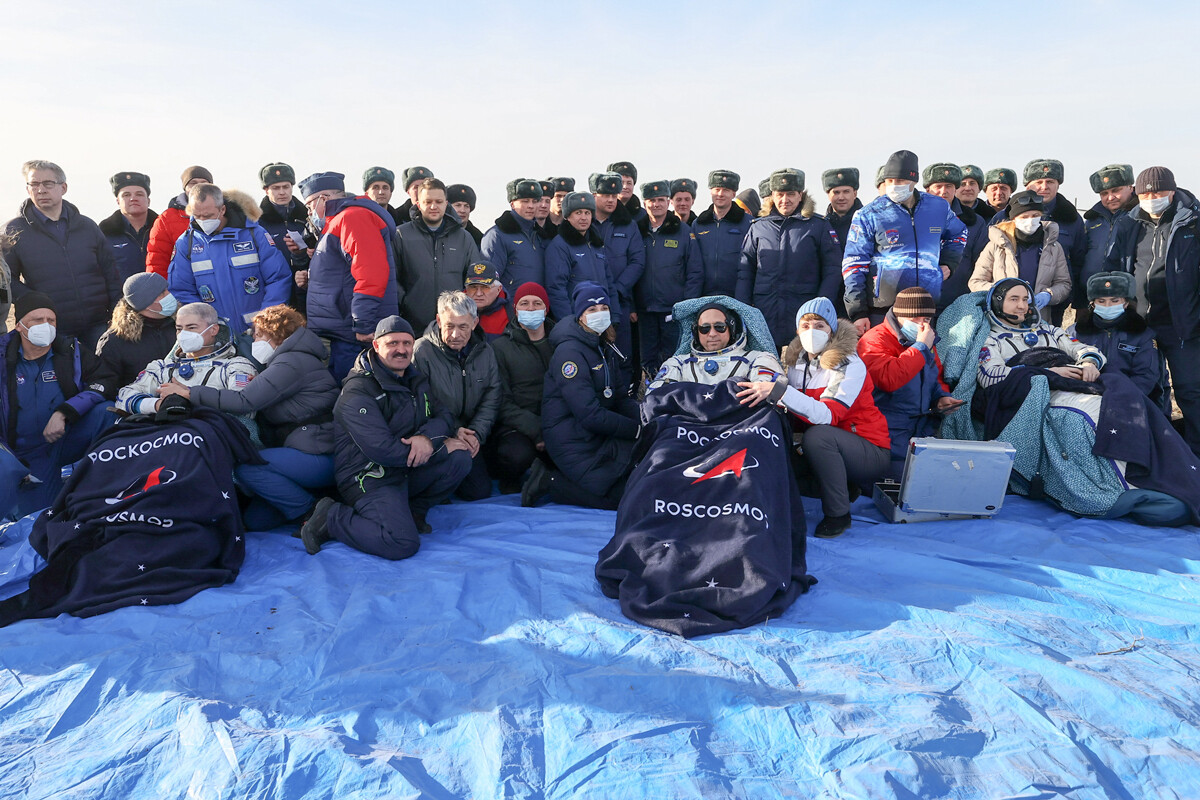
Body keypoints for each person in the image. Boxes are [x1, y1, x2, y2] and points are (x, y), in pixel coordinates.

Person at [298, 315, 472, 559]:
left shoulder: (415, 379)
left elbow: (444, 416)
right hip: (370, 476)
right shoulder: (358, 390)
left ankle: (413, 513)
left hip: (405, 468)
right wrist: (439, 447)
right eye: (393, 343)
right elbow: (383, 450)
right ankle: (332, 517)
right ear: (377, 346)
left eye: (407, 343)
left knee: (461, 457)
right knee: (401, 543)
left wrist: (425, 437)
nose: (401, 350)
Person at [160, 304, 338, 530]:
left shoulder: (290, 362)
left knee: (247, 469)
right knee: (255, 521)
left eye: (258, 335)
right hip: (303, 449)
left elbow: (243, 401)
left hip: (318, 454)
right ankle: (318, 498)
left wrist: (189, 393)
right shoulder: (286, 362)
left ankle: (312, 512)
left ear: (276, 333)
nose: (254, 341)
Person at [736, 297, 890, 539]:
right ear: (797, 329)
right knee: (778, 461)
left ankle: (838, 514)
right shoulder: (795, 362)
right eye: (806, 326)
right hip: (822, 446)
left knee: (819, 437)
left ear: (832, 330)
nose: (812, 332)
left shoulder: (848, 363)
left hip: (868, 448)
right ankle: (842, 489)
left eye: (820, 325)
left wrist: (779, 391)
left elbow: (827, 415)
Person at [1104, 166, 1200, 455]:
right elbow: (1114, 268)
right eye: (1145, 193)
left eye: (1158, 192)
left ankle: (1195, 452)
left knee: (1190, 390)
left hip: (1184, 324)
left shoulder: (1192, 222)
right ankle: (1161, 450)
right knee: (1148, 388)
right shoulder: (1129, 224)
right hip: (1140, 323)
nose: (1152, 198)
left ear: (1172, 191)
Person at [524, 281, 639, 509]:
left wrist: (645, 417)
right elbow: (589, 414)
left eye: (604, 308)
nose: (599, 314)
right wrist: (636, 429)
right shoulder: (570, 353)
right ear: (579, 316)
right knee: (621, 499)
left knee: (638, 481)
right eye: (591, 310)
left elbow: (620, 398)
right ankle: (549, 481)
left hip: (597, 435)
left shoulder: (604, 346)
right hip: (572, 439)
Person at [0, 292, 113, 516]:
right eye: (37, 320)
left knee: (106, 412)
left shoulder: (71, 350)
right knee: (37, 521)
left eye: (51, 320)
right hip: (24, 454)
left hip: (66, 438)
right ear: (20, 325)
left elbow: (105, 380)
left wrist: (66, 411)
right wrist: (7, 462)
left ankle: (106, 479)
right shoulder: (4, 356)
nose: (46, 325)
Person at [842, 150, 967, 333]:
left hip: (925, 306)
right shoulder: (869, 214)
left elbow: (959, 233)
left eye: (899, 181)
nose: (893, 186)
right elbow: (854, 264)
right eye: (889, 181)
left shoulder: (937, 207)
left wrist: (949, 262)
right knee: (885, 360)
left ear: (913, 180)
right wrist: (858, 312)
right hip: (883, 309)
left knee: (922, 358)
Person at [3, 160, 120, 349]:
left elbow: (110, 272)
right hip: (48, 328)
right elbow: (8, 281)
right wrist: (36, 303)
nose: (41, 190)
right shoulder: (13, 231)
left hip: (98, 325)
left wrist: (115, 314)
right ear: (28, 189)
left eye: (48, 183)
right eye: (34, 184)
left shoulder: (87, 226)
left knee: (103, 376)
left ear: (63, 187)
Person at [298, 171, 399, 380]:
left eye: (309, 206)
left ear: (323, 199)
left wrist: (363, 322)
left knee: (354, 398)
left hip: (351, 333)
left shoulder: (353, 218)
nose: (309, 212)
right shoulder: (336, 222)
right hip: (341, 331)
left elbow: (371, 273)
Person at [857, 287, 960, 477]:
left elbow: (935, 376)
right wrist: (920, 347)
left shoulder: (925, 340)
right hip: (886, 433)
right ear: (898, 316)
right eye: (915, 320)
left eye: (927, 320)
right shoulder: (874, 340)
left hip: (920, 430)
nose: (922, 325)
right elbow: (889, 379)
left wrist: (941, 398)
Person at [735, 168, 842, 347]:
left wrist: (821, 307)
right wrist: (743, 309)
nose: (785, 200)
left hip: (804, 314)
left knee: (804, 367)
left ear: (800, 195)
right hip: (766, 311)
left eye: (791, 194)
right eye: (780, 194)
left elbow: (832, 270)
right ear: (772, 196)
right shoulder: (758, 227)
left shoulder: (817, 226)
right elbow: (745, 271)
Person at [412, 291, 501, 501]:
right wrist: (451, 432)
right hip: (436, 433)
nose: (455, 334)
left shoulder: (485, 351)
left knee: (478, 492)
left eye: (463, 327)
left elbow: (492, 394)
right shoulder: (422, 351)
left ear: (475, 323)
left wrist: (476, 433)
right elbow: (418, 404)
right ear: (438, 320)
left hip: (470, 432)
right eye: (449, 326)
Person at [166, 184, 291, 333]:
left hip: (260, 331)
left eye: (208, 216)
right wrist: (206, 325)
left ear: (222, 209)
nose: (202, 220)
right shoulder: (186, 243)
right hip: (215, 335)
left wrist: (266, 321)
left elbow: (278, 278)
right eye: (197, 215)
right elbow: (181, 289)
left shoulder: (254, 234)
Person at [117, 301, 257, 417]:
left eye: (191, 327)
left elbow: (243, 408)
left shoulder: (236, 365)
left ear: (213, 330)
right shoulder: (162, 368)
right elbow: (123, 396)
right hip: (167, 436)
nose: (183, 334)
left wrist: (185, 396)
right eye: (179, 328)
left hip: (213, 436)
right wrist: (158, 405)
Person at [488, 281, 555, 493]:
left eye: (537, 303)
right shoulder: (500, 348)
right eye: (524, 304)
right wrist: (537, 430)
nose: (531, 308)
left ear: (546, 309)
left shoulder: (560, 343)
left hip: (556, 422)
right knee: (515, 456)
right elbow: (501, 400)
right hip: (518, 425)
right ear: (515, 309)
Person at [635, 180, 703, 379]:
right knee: (647, 358)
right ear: (645, 203)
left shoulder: (683, 232)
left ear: (668, 202)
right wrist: (632, 304)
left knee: (674, 356)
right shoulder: (637, 232)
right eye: (651, 200)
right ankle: (650, 393)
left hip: (673, 310)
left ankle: (673, 392)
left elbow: (695, 272)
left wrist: (686, 305)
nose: (656, 204)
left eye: (660, 200)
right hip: (645, 309)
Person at [395, 178, 483, 334]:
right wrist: (406, 302)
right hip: (413, 323)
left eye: (438, 201)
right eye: (427, 201)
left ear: (446, 203)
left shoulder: (463, 238)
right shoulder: (401, 235)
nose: (433, 206)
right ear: (418, 203)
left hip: (454, 325)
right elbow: (392, 277)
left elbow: (474, 279)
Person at [1070, 272, 1163, 407]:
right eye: (1101, 301)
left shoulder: (1142, 333)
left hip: (1129, 400)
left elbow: (1145, 377)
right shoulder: (1075, 332)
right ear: (1093, 304)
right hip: (1085, 400)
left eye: (1115, 301)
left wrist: (1119, 398)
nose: (1108, 306)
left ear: (1125, 303)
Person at [648, 297, 782, 389]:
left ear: (732, 329)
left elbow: (775, 389)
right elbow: (657, 397)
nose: (712, 334)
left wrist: (767, 388)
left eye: (719, 327)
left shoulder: (757, 359)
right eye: (704, 328)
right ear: (696, 332)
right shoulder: (678, 363)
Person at [969, 191, 1071, 310]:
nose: (1030, 221)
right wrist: (1001, 293)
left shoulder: (1053, 247)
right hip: (1001, 316)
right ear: (1014, 219)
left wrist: (1048, 295)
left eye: (1035, 215)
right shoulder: (997, 245)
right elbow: (976, 282)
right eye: (1024, 217)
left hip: (1038, 317)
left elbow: (1064, 283)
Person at [91, 273, 179, 402]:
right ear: (146, 303)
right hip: (141, 408)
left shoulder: (183, 326)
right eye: (162, 293)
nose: (169, 296)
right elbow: (106, 381)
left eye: (167, 290)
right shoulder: (115, 340)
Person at [590, 172, 644, 356]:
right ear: (593, 196)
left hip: (620, 300)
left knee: (621, 354)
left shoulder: (628, 225)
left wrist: (618, 289)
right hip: (589, 302)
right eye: (606, 195)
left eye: (614, 196)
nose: (611, 200)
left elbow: (637, 261)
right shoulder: (583, 223)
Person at [922, 163, 988, 312]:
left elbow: (982, 264)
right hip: (919, 302)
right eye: (938, 186)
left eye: (949, 186)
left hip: (958, 303)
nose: (943, 191)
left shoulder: (974, 222)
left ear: (955, 189)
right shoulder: (912, 218)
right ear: (927, 189)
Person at [543, 192, 615, 322]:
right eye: (578, 213)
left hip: (601, 317)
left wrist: (614, 316)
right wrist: (569, 322)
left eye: (587, 213)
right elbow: (556, 289)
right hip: (578, 318)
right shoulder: (560, 246)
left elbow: (609, 282)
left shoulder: (596, 244)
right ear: (567, 216)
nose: (583, 217)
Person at [257, 163, 311, 312]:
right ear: (266, 190)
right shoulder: (257, 223)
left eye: (286, 187)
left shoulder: (308, 216)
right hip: (274, 291)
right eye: (276, 188)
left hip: (306, 289)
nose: (282, 192)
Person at [482, 178, 546, 295]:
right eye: (525, 201)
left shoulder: (541, 235)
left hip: (538, 307)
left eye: (535, 201)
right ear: (512, 204)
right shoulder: (497, 235)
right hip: (509, 307)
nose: (531, 206)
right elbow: (489, 281)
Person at [693, 170, 752, 298]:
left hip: (737, 295)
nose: (720, 194)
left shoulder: (748, 224)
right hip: (704, 295)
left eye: (725, 190)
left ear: (733, 193)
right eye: (717, 189)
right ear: (711, 191)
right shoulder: (698, 224)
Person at [146, 165, 212, 278]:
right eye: (193, 183)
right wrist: (161, 293)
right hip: (183, 288)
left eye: (204, 182)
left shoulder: (224, 214)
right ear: (185, 188)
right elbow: (157, 262)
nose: (199, 187)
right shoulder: (166, 219)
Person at [1081, 164, 1137, 288]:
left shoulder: (1141, 218)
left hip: (1126, 295)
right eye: (1104, 193)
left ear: (1130, 187)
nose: (1110, 197)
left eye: (1116, 190)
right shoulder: (1092, 221)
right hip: (1092, 293)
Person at [99, 171, 157, 281]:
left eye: (139, 194)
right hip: (121, 297)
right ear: (118, 201)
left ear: (148, 201)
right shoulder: (104, 233)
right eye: (126, 195)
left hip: (161, 296)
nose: (133, 198)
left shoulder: (162, 230)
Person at [822, 167, 862, 259]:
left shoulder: (868, 222)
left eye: (846, 192)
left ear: (855, 193)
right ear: (828, 195)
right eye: (836, 192)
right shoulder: (822, 226)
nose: (841, 197)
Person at [464, 262, 509, 341]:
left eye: (485, 287)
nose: (478, 293)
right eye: (473, 287)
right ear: (466, 289)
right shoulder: (453, 309)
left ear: (499, 289)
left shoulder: (510, 313)